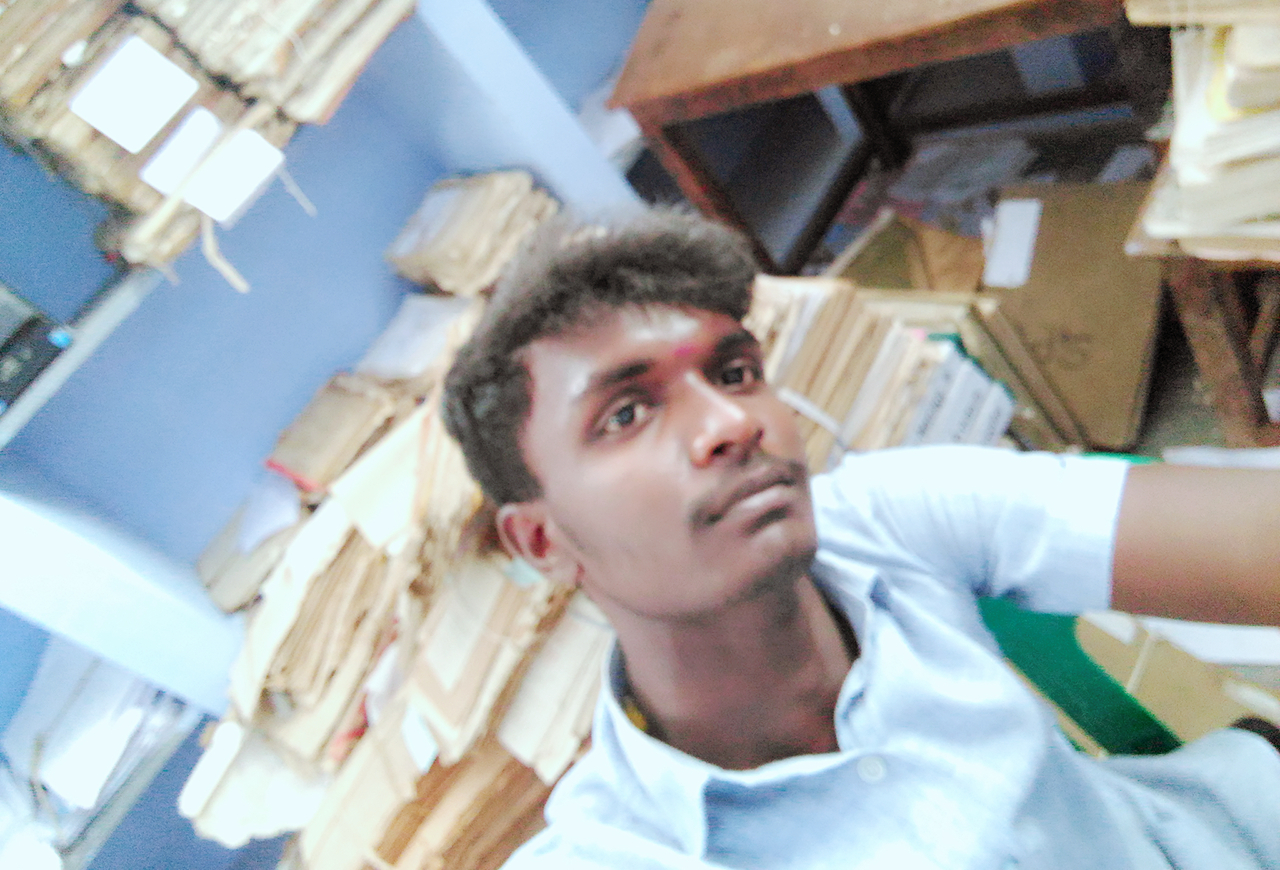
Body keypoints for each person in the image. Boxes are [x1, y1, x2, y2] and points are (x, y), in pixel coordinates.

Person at [442, 208, 1280, 870]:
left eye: (735, 373)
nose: (732, 422)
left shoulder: (888, 519)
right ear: (542, 542)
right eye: (627, 413)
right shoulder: (621, 850)